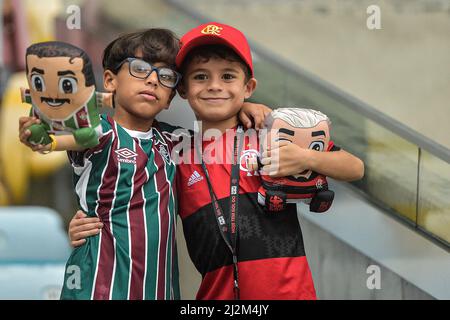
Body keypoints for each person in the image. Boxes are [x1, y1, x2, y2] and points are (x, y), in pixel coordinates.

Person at [68, 22, 364, 300]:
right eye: (200, 76)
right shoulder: (174, 151)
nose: (214, 86)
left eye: (228, 76)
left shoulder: (270, 134)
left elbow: (354, 167)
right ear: (181, 90)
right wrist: (90, 217)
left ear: (248, 87)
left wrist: (305, 156)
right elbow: (128, 183)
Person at [18, 28, 267, 300]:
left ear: (172, 96)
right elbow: (60, 132)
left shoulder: (177, 142)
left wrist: (244, 107)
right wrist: (38, 135)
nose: (152, 80)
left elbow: (221, 131)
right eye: (139, 68)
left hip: (158, 289)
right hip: (99, 285)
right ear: (110, 80)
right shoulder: (99, 132)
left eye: (166, 76)